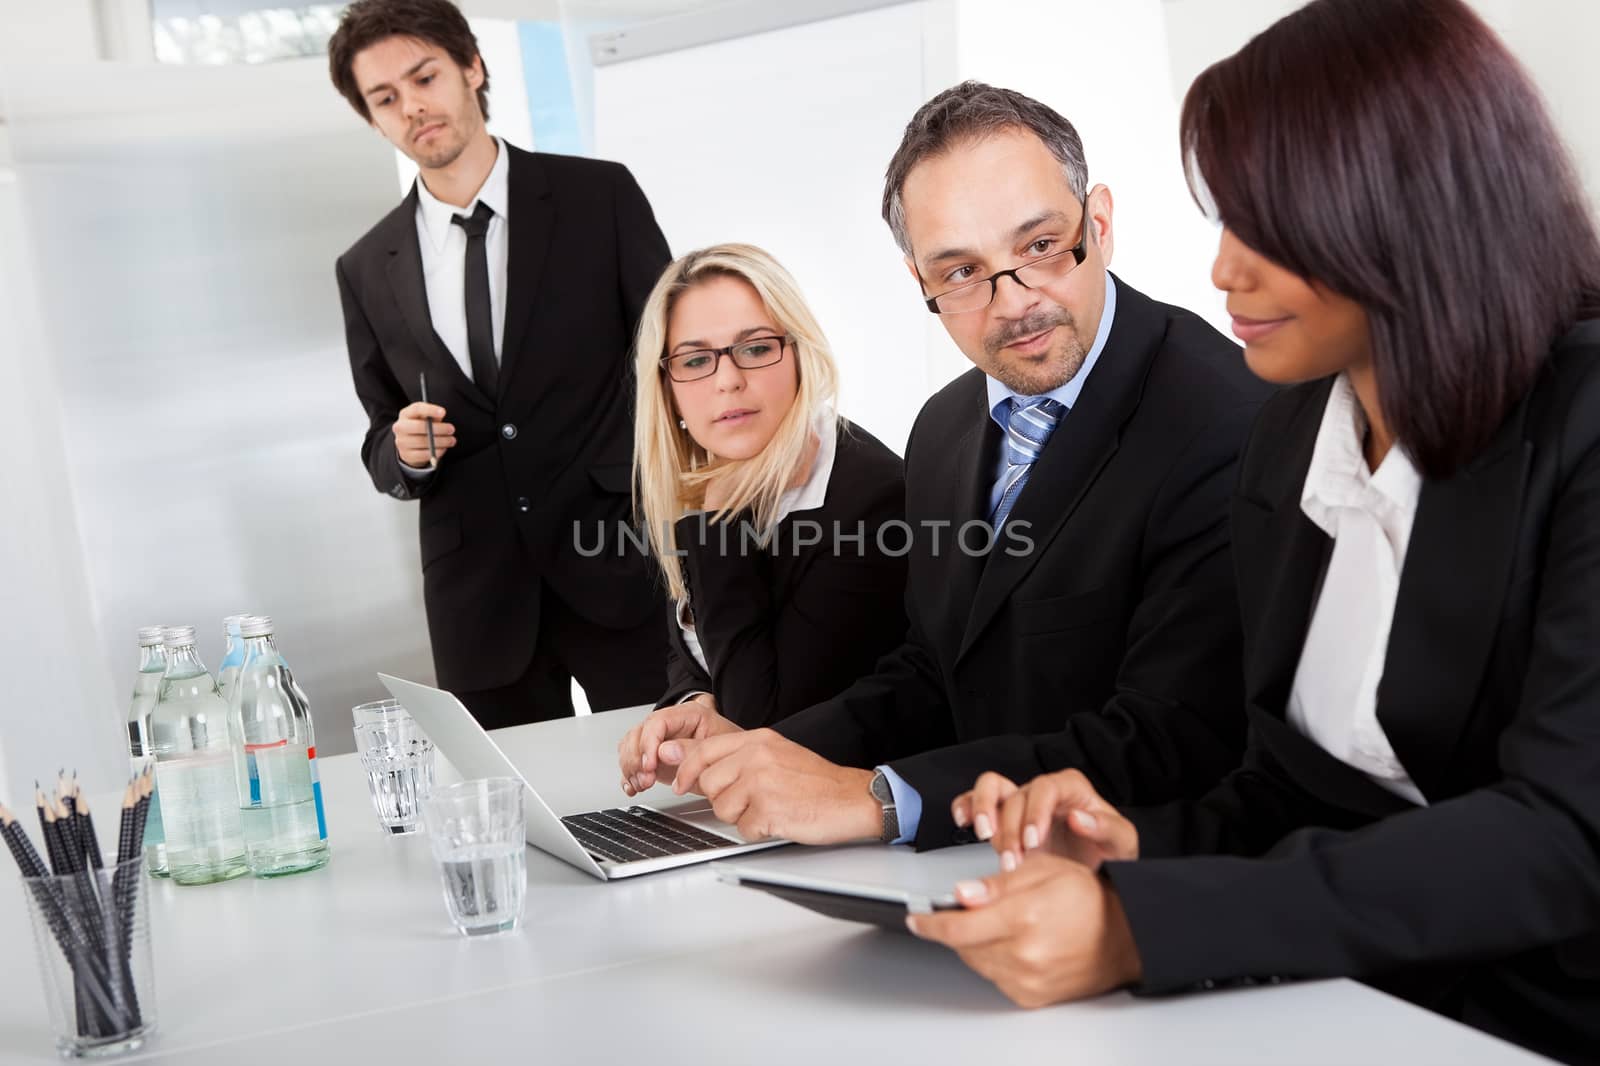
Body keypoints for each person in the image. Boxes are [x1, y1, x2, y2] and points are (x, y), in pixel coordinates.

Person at [911, 3, 1600, 1063]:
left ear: (1412, 208)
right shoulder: (1290, 434)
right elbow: (1294, 786)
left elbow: (1560, 836)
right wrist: (1134, 845)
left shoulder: (1582, 422)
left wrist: (1144, 925)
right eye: (1224, 222)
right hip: (1344, 1005)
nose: (1225, 272)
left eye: (1269, 227)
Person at [617, 82, 1270, 848]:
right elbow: (934, 670)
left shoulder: (1221, 420)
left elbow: (1169, 735)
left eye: (1039, 246)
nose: (1014, 300)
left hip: (1131, 880)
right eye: (961, 272)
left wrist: (886, 800)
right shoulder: (945, 425)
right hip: (962, 864)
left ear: (1099, 223)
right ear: (920, 282)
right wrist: (767, 755)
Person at [328, 0, 672, 727]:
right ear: (371, 119)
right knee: (517, 816)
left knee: (679, 782)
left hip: (617, 556)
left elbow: (674, 362)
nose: (412, 106)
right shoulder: (364, 266)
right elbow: (378, 438)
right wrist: (402, 451)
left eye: (425, 78)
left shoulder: (598, 197)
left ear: (472, 68)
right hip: (477, 597)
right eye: (385, 98)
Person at [619, 244, 907, 777]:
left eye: (754, 349)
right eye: (696, 359)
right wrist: (692, 706)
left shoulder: (869, 504)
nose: (727, 379)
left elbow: (767, 724)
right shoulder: (717, 475)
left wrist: (719, 533)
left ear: (799, 354)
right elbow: (693, 649)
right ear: (668, 389)